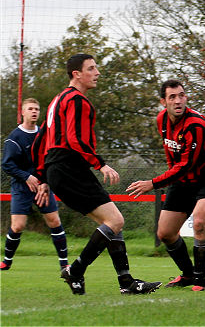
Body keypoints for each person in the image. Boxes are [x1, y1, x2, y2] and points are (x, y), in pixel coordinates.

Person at [32, 53, 161, 295]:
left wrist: (43, 177)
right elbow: (74, 139)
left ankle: (126, 282)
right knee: (115, 221)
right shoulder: (78, 101)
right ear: (76, 74)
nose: (97, 73)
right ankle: (76, 271)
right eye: (91, 68)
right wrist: (100, 164)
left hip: (59, 169)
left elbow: (41, 139)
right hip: (70, 167)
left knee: (112, 221)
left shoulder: (56, 100)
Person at [126, 79, 205, 292]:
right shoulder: (161, 119)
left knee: (199, 222)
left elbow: (185, 165)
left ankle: (200, 280)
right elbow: (171, 155)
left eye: (181, 95)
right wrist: (169, 179)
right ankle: (188, 274)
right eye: (172, 97)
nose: (178, 100)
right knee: (165, 233)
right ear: (163, 101)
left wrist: (152, 183)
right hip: (182, 180)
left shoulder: (196, 125)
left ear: (186, 98)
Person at [1, 98, 68, 271]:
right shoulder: (14, 138)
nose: (34, 112)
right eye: (30, 109)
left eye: (37, 109)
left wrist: (44, 180)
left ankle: (64, 263)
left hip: (43, 187)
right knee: (18, 226)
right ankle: (7, 261)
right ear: (22, 112)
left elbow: (51, 158)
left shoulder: (44, 135)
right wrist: (26, 177)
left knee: (54, 221)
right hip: (21, 188)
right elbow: (7, 165)